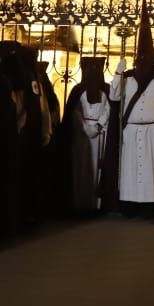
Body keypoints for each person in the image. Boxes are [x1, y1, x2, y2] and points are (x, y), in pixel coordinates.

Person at [110, 8, 154, 218]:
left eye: (146, 58)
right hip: (131, 132)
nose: (142, 62)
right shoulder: (128, 78)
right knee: (130, 169)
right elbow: (114, 97)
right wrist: (117, 73)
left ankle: (149, 206)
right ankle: (129, 205)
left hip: (153, 132)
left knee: (151, 170)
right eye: (139, 58)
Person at [62, 57, 110, 212]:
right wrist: (84, 125)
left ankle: (95, 204)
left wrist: (98, 125)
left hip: (99, 135)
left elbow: (109, 110)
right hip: (81, 137)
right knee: (81, 168)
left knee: (97, 169)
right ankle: (80, 203)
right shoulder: (77, 91)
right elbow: (74, 112)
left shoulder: (106, 91)